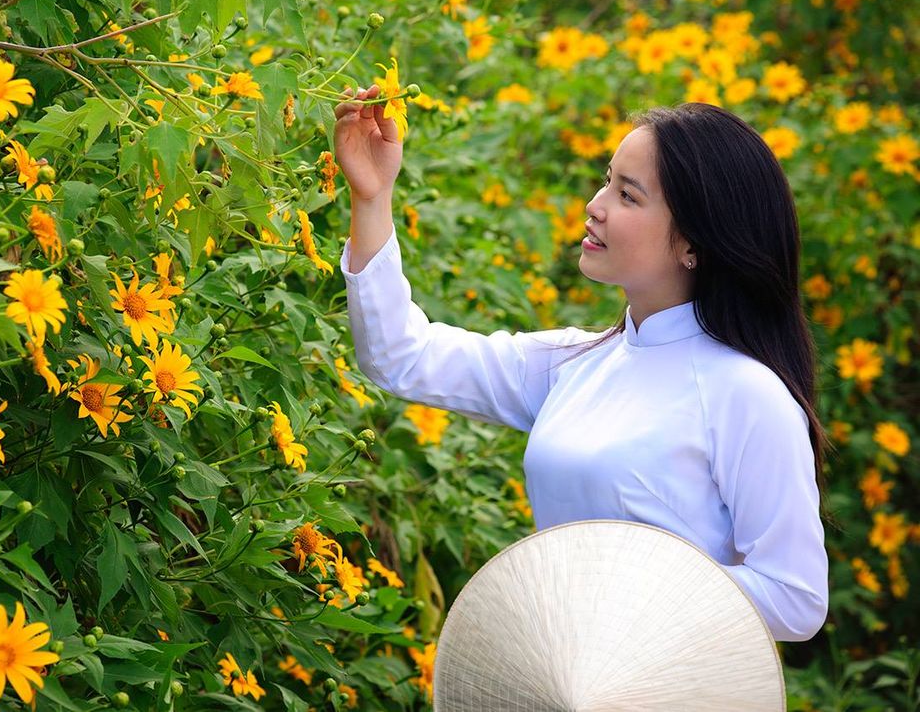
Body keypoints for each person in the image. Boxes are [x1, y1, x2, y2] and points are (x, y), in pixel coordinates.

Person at [332, 87, 830, 642]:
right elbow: (401, 356)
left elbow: (796, 599)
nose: (595, 204)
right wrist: (371, 198)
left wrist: (626, 584)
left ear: (692, 242)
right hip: (564, 680)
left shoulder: (747, 394)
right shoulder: (575, 364)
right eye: (606, 179)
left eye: (628, 195)